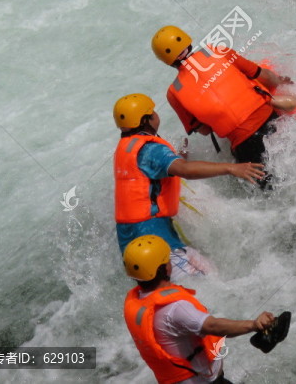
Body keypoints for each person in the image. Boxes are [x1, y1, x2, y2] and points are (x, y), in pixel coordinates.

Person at [113, 94, 265, 278]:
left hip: (134, 243)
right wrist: (231, 168)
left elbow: (153, 174)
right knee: (204, 285)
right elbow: (183, 170)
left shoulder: (125, 148)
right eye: (152, 112)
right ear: (146, 119)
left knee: (210, 274)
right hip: (153, 240)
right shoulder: (151, 149)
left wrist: (178, 158)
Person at [151, 26, 296, 191]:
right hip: (272, 120)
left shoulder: (173, 93)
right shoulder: (217, 50)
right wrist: (279, 82)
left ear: (165, 60)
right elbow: (262, 75)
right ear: (187, 40)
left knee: (270, 190)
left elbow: (205, 130)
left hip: (245, 145)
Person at [122, 235, 280, 384]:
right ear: (164, 269)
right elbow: (213, 326)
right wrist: (254, 325)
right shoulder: (175, 309)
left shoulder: (138, 300)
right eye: (167, 260)